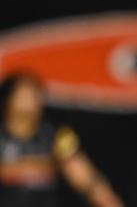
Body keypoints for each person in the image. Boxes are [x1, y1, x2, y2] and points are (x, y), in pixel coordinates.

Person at [0, 72, 124, 207]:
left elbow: (86, 179)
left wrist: (109, 201)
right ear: (8, 98)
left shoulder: (55, 135)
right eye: (23, 94)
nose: (30, 101)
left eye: (34, 95)